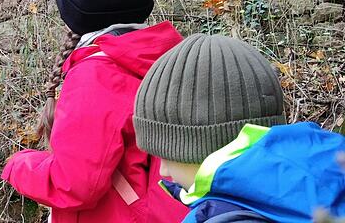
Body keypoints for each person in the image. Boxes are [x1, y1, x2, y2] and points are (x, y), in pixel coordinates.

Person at [1, 0, 189, 222]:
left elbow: (74, 184)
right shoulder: (170, 56)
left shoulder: (97, 75)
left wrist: (18, 164)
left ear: (70, 10)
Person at [134, 34, 345, 222]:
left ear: (200, 147)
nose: (163, 171)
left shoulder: (223, 216)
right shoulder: (330, 169)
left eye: (166, 155)